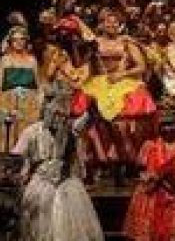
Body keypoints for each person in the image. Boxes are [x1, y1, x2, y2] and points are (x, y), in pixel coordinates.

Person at [12, 81, 104, 241]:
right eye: (55, 114)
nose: (58, 119)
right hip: (41, 184)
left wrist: (92, 106)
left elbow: (88, 119)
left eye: (62, 115)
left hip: (66, 184)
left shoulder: (70, 130)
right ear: (46, 111)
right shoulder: (32, 132)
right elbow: (16, 156)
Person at [83, 10, 156, 184]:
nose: (112, 26)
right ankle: (103, 161)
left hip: (122, 82)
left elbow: (141, 67)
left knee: (123, 123)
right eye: (108, 23)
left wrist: (122, 74)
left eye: (115, 23)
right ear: (101, 24)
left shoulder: (126, 42)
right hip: (101, 82)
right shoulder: (95, 42)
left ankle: (125, 161)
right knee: (96, 121)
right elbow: (86, 64)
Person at [124, 96, 175, 241]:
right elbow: (141, 172)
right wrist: (153, 177)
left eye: (172, 124)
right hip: (154, 196)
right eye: (165, 124)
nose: (168, 128)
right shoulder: (150, 147)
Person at [0, 26, 41, 160]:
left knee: (26, 134)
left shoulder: (32, 60)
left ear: (26, 41)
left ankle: (24, 169)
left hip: (29, 103)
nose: (18, 42)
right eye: (15, 40)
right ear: (10, 42)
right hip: (9, 101)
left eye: (21, 39)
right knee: (7, 135)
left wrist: (40, 103)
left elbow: (38, 86)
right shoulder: (5, 60)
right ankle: (7, 170)